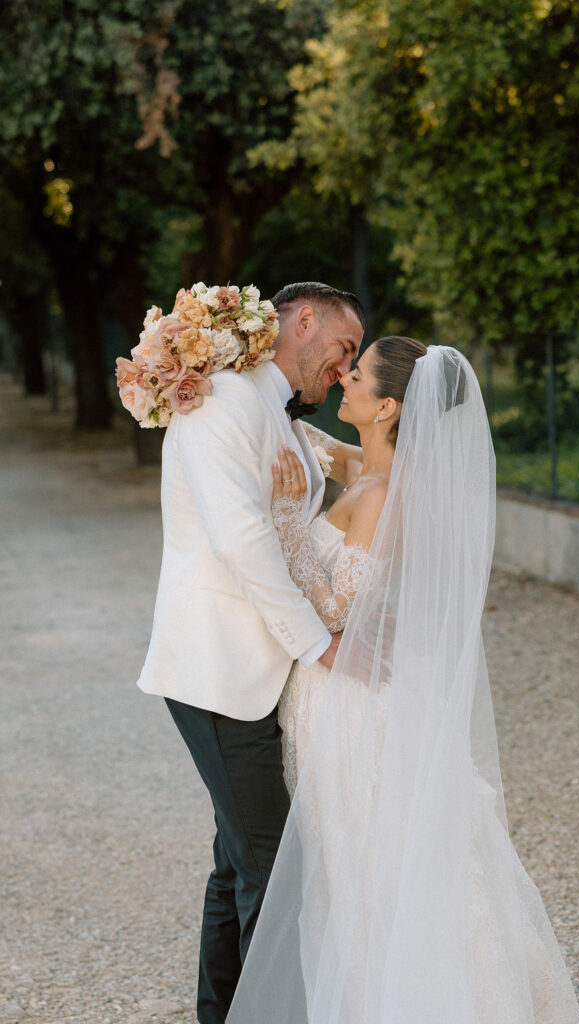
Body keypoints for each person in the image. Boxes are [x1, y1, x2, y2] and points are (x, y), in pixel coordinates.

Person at [226, 339, 579, 1023]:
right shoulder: (372, 468)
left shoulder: (384, 492)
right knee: (353, 862)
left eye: (354, 376)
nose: (342, 380)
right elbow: (314, 441)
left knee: (362, 864)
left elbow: (337, 609)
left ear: (386, 405)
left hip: (352, 700)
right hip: (340, 692)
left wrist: (285, 522)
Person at [135, 282, 364, 1024]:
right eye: (344, 349)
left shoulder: (274, 411)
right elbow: (241, 543)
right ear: (302, 320)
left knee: (236, 864)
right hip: (216, 670)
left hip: (252, 673)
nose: (344, 367)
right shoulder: (225, 403)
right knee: (273, 869)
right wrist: (316, 641)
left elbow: (331, 479)